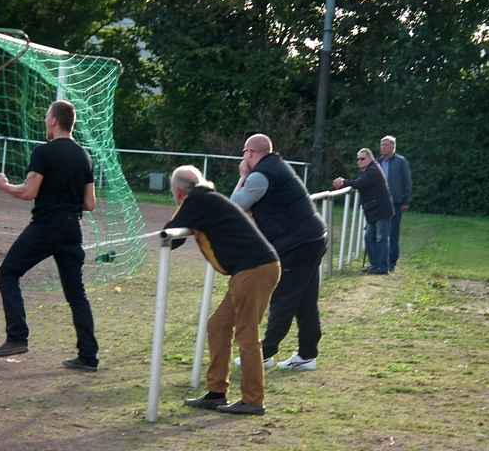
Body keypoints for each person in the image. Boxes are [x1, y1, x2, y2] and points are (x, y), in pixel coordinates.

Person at [0, 100, 100, 372]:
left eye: (46, 117)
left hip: (47, 225)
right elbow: (90, 203)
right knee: (76, 294)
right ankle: (88, 356)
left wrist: (3, 185)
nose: (45, 121)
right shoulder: (84, 155)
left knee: (8, 273)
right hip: (72, 227)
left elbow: (29, 192)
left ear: (53, 121)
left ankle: (17, 337)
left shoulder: (44, 152)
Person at [165, 165, 281, 416]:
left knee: (246, 333)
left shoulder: (195, 200)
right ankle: (216, 392)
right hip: (254, 268)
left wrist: (180, 209)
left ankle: (253, 399)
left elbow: (172, 237)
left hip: (253, 270)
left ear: (178, 191)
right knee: (217, 325)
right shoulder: (206, 198)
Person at [231, 134, 327, 371]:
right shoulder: (276, 166)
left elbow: (234, 206)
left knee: (283, 298)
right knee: (304, 300)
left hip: (298, 244)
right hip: (312, 239)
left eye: (244, 153)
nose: (243, 157)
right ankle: (307, 355)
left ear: (251, 153)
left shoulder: (259, 175)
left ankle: (264, 354)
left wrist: (243, 176)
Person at [333, 148, 394, 275]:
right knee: (369, 237)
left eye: (362, 158)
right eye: (358, 159)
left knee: (381, 238)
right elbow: (360, 182)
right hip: (374, 210)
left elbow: (360, 183)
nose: (359, 161)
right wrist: (346, 182)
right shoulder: (368, 170)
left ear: (370, 158)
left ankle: (382, 268)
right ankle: (375, 265)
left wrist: (343, 182)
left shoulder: (372, 170)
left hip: (381, 210)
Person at [378, 135, 412, 272]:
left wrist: (406, 201)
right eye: (381, 145)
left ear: (392, 146)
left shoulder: (401, 161)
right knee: (379, 232)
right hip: (380, 202)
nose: (382, 147)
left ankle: (391, 262)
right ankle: (380, 260)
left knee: (393, 233)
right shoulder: (378, 161)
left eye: (385, 145)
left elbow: (407, 182)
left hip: (396, 202)